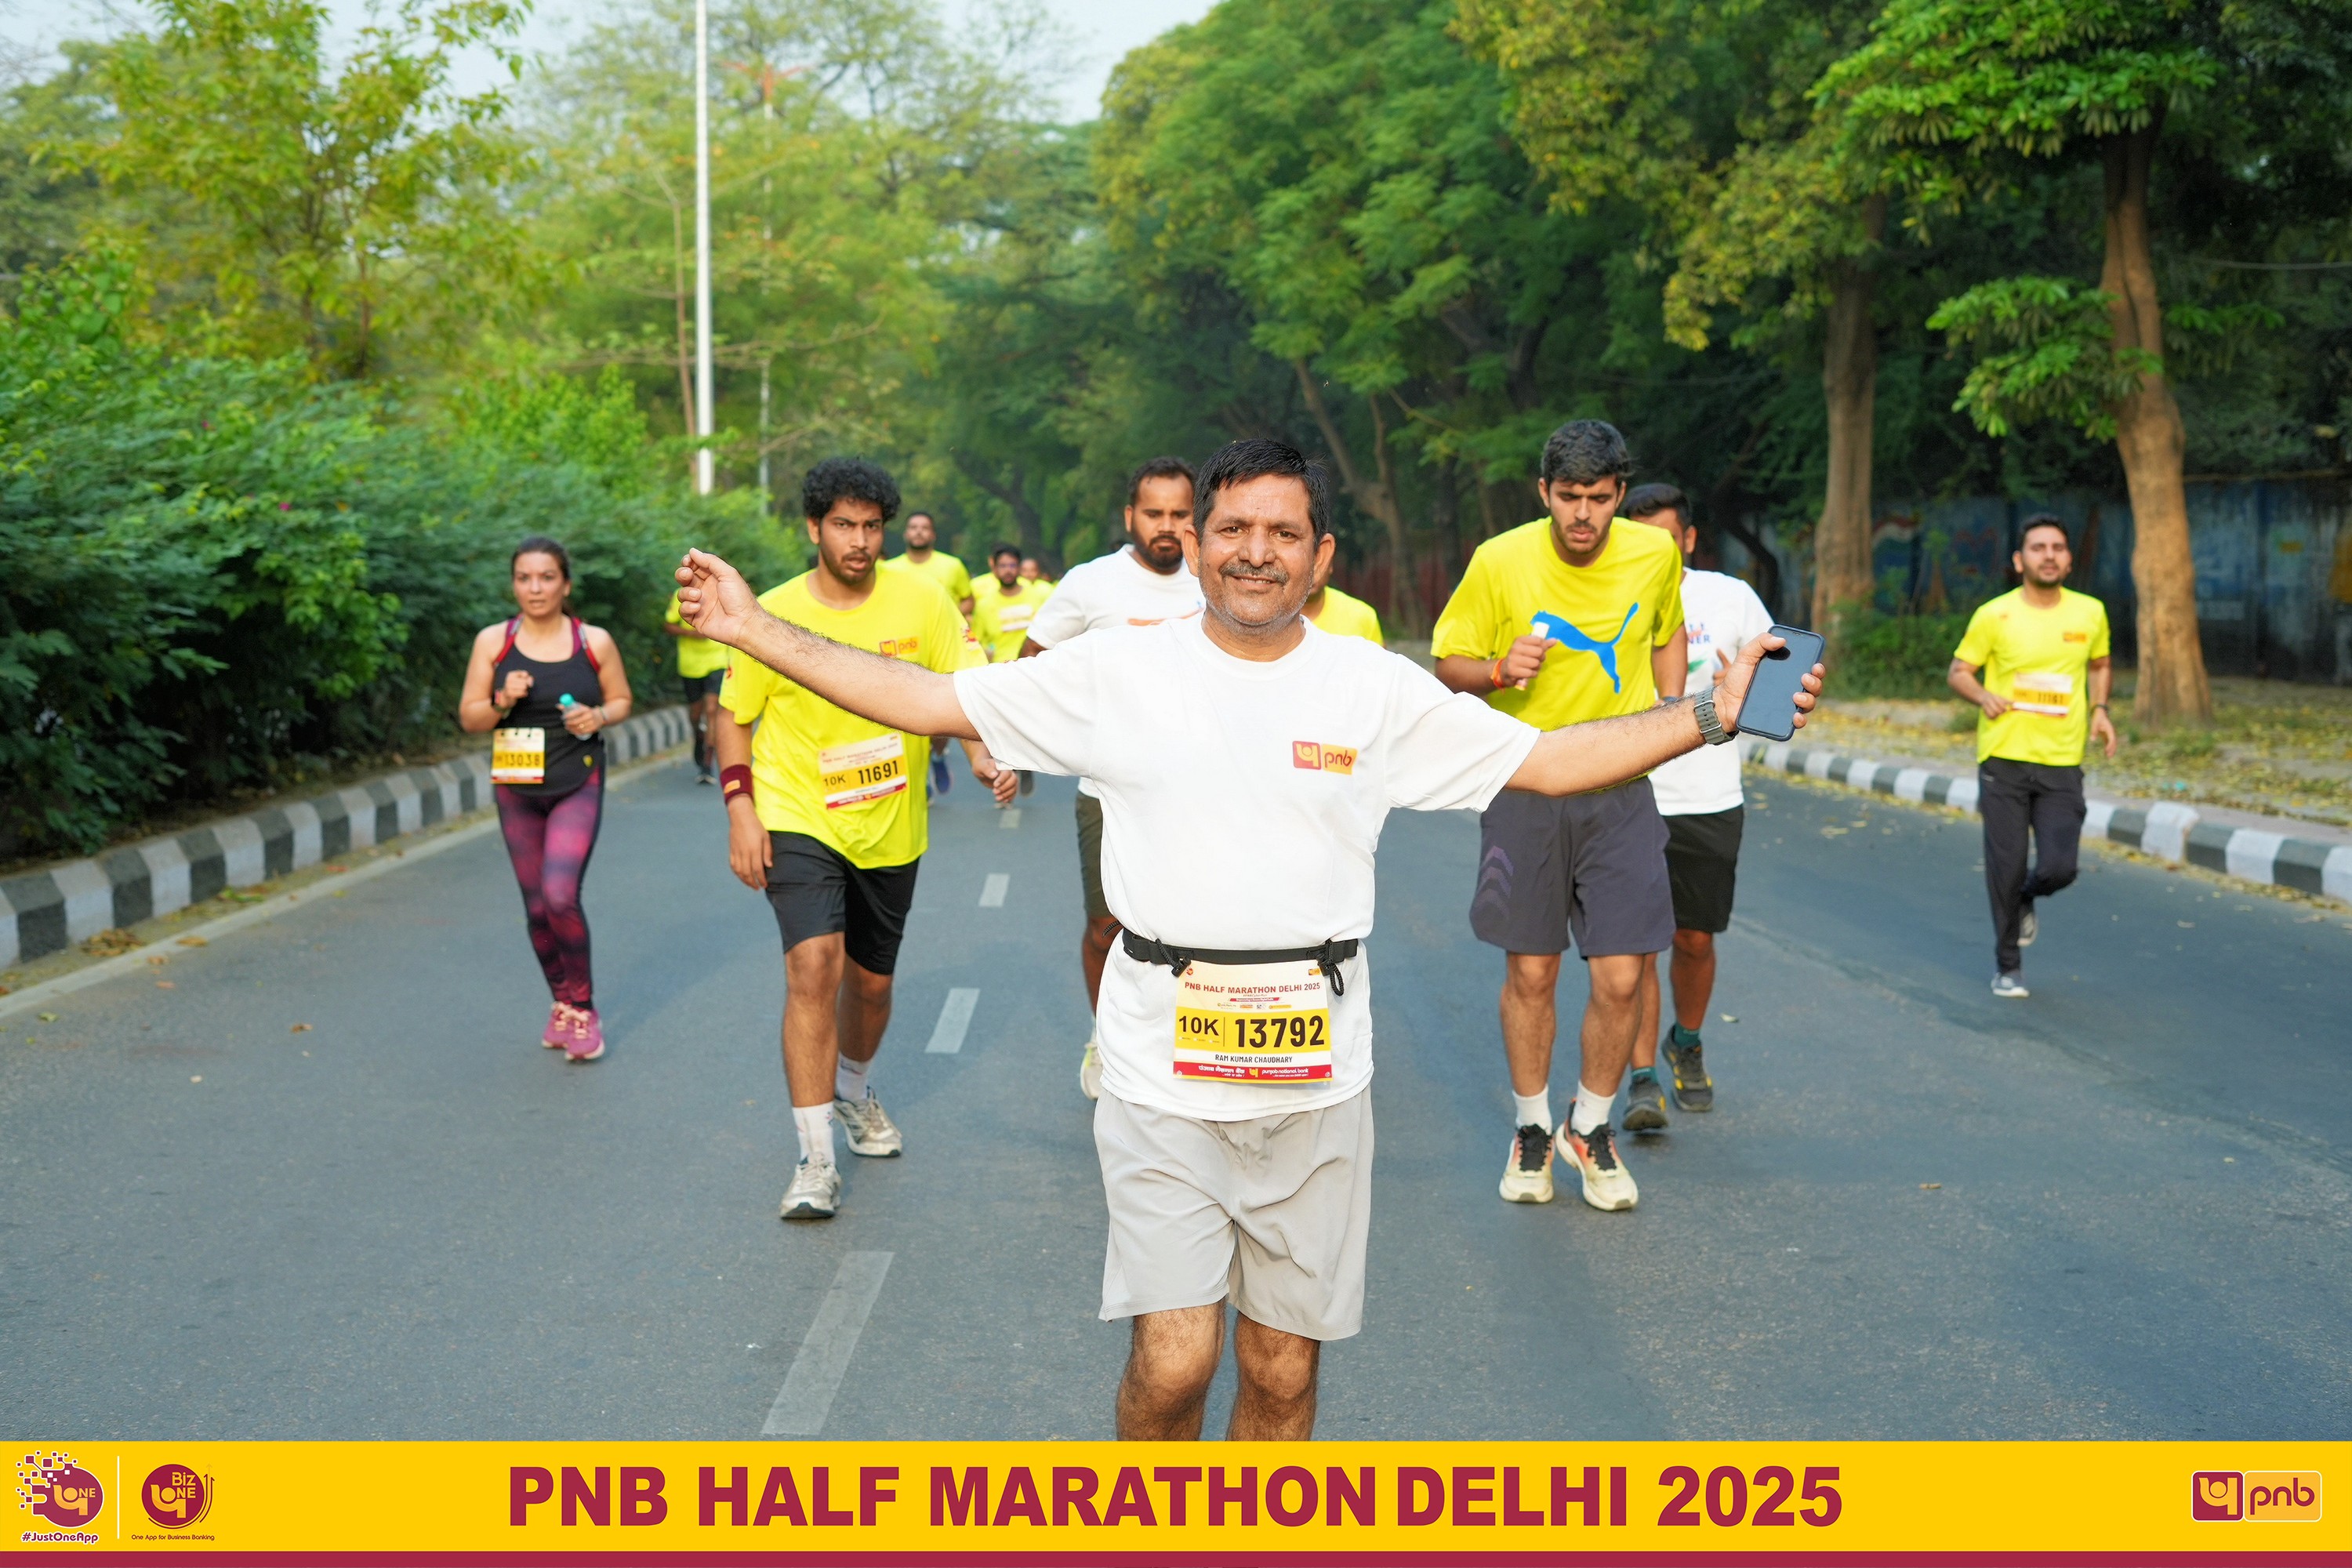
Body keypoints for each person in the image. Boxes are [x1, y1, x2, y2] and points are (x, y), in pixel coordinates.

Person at [673, 436, 1817, 1441]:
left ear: (1322, 558)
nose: (1255, 552)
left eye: (1283, 533)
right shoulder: (1120, 672)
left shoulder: (1372, 687)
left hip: (1318, 1079)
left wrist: (1710, 713)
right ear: (1197, 546)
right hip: (1160, 1071)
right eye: (1232, 529)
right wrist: (753, 627)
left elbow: (1553, 762)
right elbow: (926, 699)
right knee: (1177, 1361)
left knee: (1281, 1369)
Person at [714, 459, 1016, 1221]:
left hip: (889, 821)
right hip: (798, 811)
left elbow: (962, 688)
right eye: (844, 525)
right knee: (812, 964)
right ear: (813, 527)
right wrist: (742, 809)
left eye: (872, 526)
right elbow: (733, 714)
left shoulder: (924, 601)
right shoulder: (771, 613)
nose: (859, 541)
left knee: (871, 985)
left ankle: (852, 1087)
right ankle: (814, 1158)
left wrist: (982, 755)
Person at [1429, 419, 1687, 1212]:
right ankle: (1533, 1126)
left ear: (1619, 494)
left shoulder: (1655, 553)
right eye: (1569, 496)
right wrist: (1498, 669)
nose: (1583, 514)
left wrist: (1672, 706)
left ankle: (1592, 1125)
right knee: (1533, 972)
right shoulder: (1498, 559)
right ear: (1543, 491)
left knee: (1623, 974)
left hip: (1621, 788)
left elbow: (1668, 630)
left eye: (1599, 498)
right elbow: (1447, 664)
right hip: (1526, 783)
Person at [1019, 456, 1205, 1101]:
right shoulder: (1091, 584)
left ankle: (1179, 1041)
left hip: (1199, 794)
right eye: (1154, 513)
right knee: (1108, 928)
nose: (1167, 526)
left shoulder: (1215, 581)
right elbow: (1030, 664)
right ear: (1130, 517)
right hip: (1108, 793)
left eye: (1180, 514)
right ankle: (1106, 1036)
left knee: (1192, 929)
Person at [1618, 484, 1774, 1129]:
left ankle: (1685, 1041)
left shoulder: (1731, 597)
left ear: (1687, 539)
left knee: (1694, 938)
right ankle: (1642, 1080)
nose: (1652, 550)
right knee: (1635, 947)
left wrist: (1747, 691)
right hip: (1629, 794)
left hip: (1708, 801)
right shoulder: (1608, 593)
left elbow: (1777, 686)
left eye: (1664, 538)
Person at [459, 536, 634, 1062]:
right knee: (536, 907)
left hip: (576, 781)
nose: (535, 588)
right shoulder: (494, 642)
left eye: (546, 577)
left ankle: (583, 1008)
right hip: (516, 789)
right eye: (524, 578)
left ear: (566, 585)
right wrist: (501, 700)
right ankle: (561, 1002)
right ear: (514, 585)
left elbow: (622, 699)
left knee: (560, 894)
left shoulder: (593, 642)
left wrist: (597, 716)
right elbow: (470, 718)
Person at [1947, 514, 2116, 1000]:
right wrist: (1983, 696)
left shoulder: (2090, 613)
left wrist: (2101, 710)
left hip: (2062, 759)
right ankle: (2008, 965)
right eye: (2039, 548)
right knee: (2006, 862)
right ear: (2020, 561)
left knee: (2060, 867)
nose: (2049, 555)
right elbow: (1959, 671)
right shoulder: (1994, 615)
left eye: (2058, 548)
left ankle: (2025, 896)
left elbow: (2100, 664)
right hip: (2004, 756)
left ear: (2069, 560)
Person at [887, 511, 973, 795]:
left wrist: (946, 619)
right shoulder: (890, 569)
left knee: (940, 716)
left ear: (933, 534)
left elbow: (968, 600)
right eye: (913, 527)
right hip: (903, 650)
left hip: (942, 650)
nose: (919, 532)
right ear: (906, 533)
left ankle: (937, 755)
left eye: (925, 528)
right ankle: (919, 776)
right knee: (904, 715)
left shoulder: (952, 566)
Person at [666, 587, 728, 784]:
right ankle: (699, 736)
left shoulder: (723, 592)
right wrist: (691, 634)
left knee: (712, 709)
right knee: (695, 713)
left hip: (717, 661)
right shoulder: (683, 594)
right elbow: (668, 626)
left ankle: (707, 764)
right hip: (690, 665)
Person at [969, 543, 1055, 663]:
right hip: (1000, 668)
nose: (1008, 571)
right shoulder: (983, 605)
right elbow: (976, 644)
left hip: (1035, 665)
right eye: (1003, 566)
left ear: (1019, 568)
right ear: (994, 569)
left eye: (1012, 565)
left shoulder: (1039, 596)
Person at [1303, 550, 1384, 647]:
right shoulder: (1284, 618)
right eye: (1305, 565)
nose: (1311, 573)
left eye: (1318, 564)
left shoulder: (1363, 615)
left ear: (1330, 565)